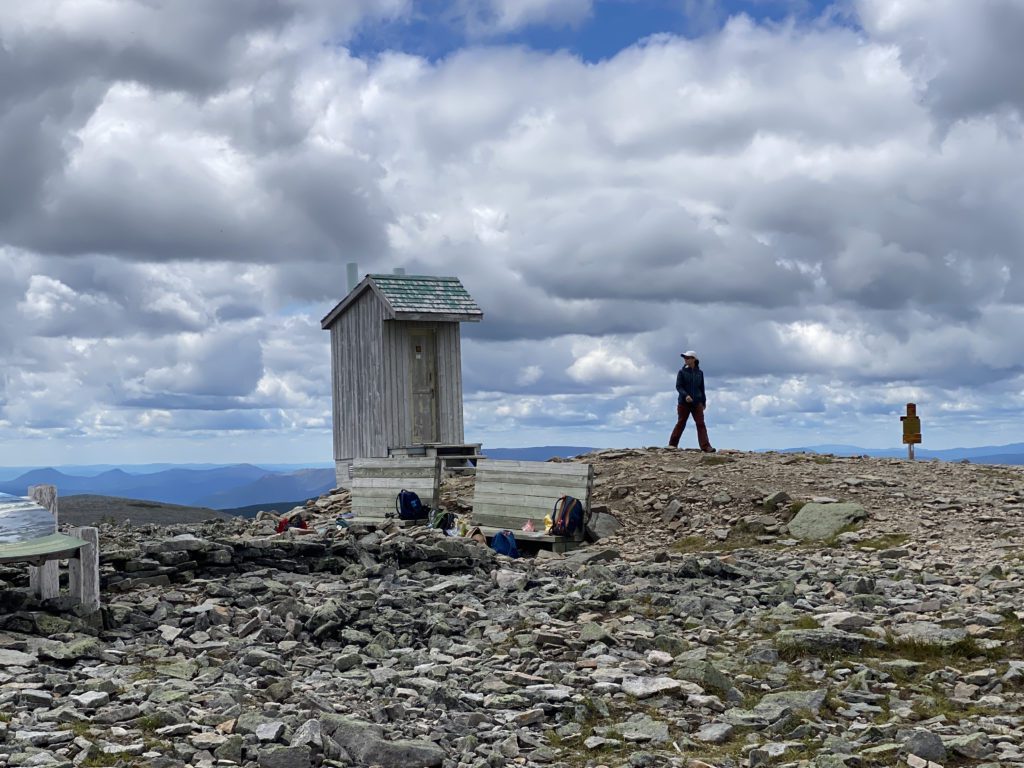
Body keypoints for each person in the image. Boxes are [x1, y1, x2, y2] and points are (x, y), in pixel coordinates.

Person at [668, 350, 716, 453]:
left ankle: (706, 447)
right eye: (685, 357)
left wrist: (703, 402)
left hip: (697, 402)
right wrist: (686, 395)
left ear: (694, 359)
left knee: (700, 424)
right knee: (681, 423)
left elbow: (702, 388)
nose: (685, 359)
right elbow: (678, 386)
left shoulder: (700, 373)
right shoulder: (681, 372)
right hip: (683, 403)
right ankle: (672, 445)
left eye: (688, 357)